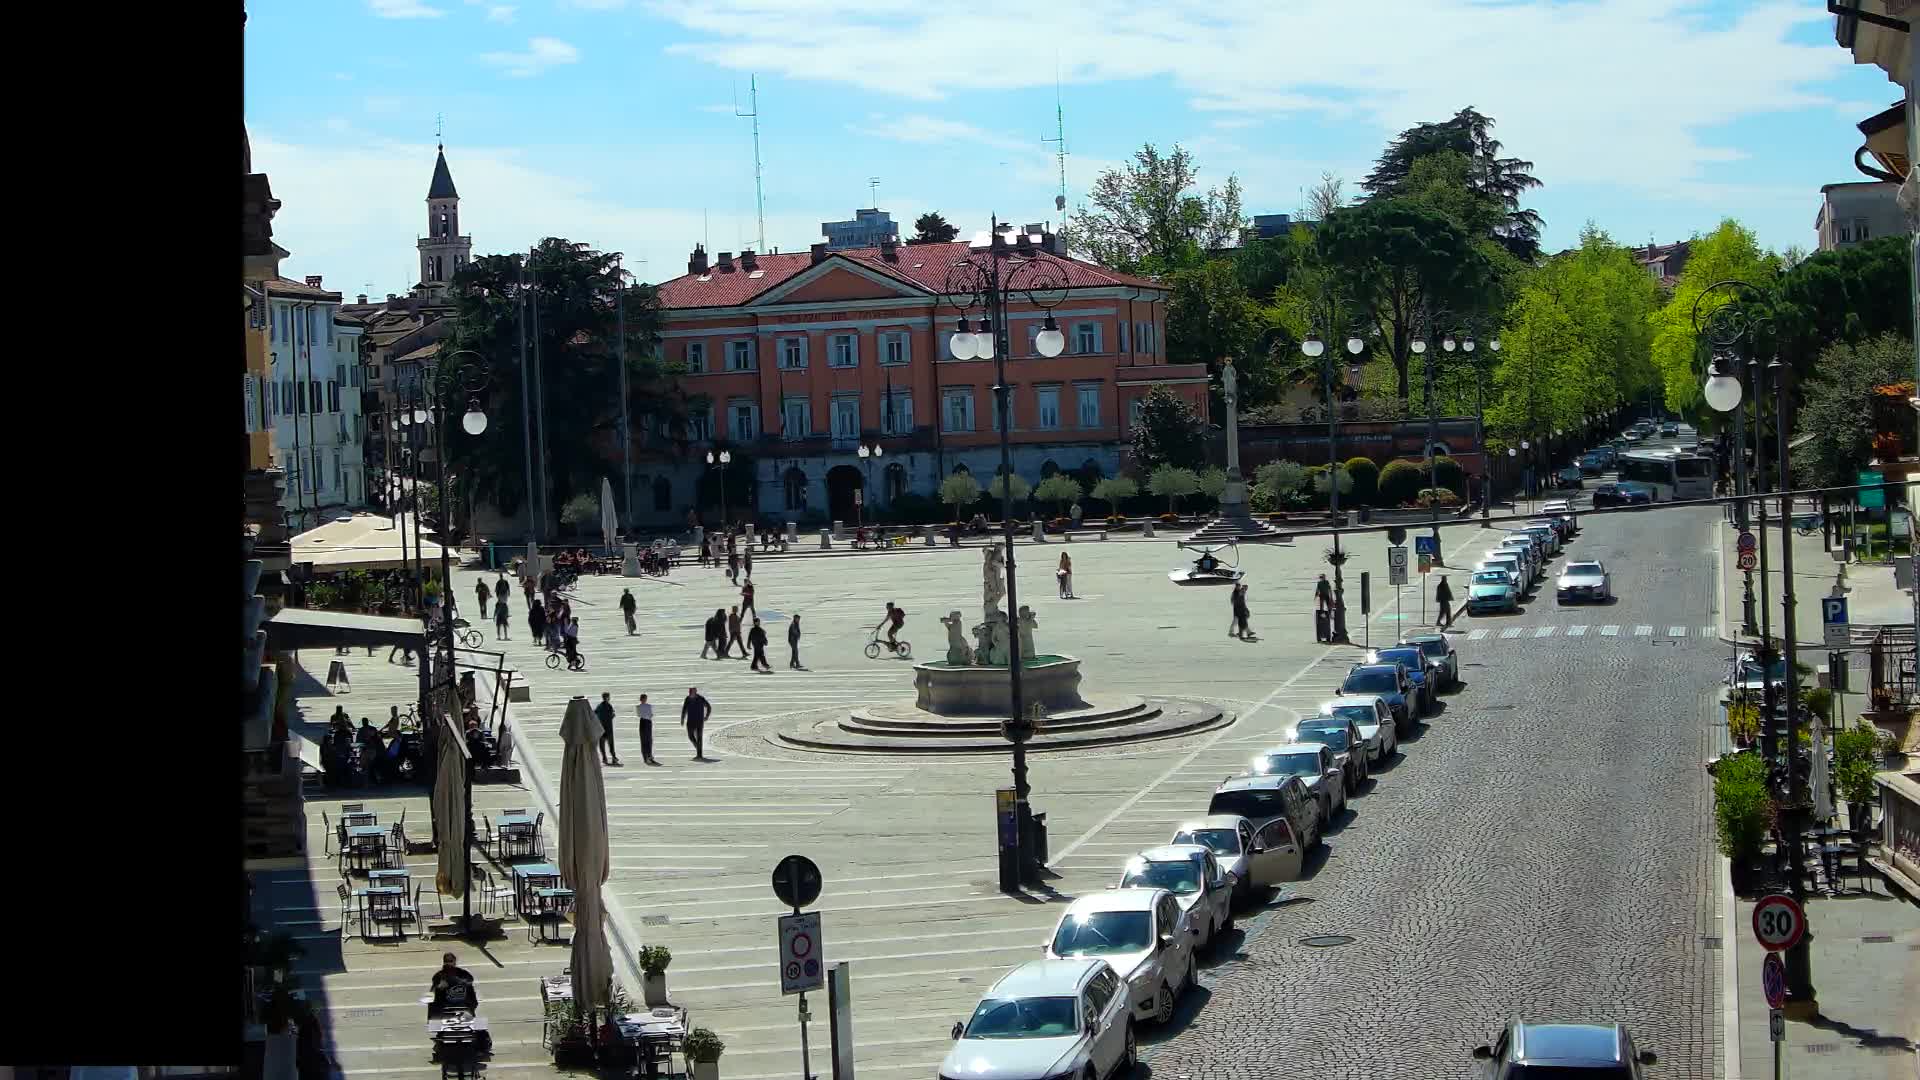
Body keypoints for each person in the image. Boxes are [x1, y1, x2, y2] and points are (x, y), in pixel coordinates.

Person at [428, 952, 480, 1020]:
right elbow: (433, 988)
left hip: (462, 999)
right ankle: (434, 1019)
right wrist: (439, 986)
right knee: (431, 999)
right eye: (447, 961)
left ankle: (470, 1014)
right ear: (444, 962)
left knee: (470, 988)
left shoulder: (462, 972)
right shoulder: (439, 975)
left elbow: (470, 979)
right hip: (445, 1001)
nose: (449, 963)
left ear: (454, 962)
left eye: (450, 961)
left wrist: (462, 981)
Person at [681, 686, 711, 761]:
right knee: (690, 736)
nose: (690, 694)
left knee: (699, 738)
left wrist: (706, 716)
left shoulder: (700, 698)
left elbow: (708, 706)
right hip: (690, 721)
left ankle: (699, 755)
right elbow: (684, 709)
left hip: (699, 721)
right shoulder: (687, 699)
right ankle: (698, 748)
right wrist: (682, 718)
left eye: (692, 692)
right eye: (690, 692)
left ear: (695, 692)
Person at [594, 692, 620, 766]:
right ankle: (613, 757)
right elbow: (611, 715)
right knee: (611, 744)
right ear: (607, 697)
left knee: (602, 744)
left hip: (601, 728)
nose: (609, 698)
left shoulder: (599, 706)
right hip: (608, 728)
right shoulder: (609, 706)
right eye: (609, 697)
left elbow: (594, 713)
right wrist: (612, 715)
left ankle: (604, 758)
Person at [635, 693, 658, 766]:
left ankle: (649, 756)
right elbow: (640, 715)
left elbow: (648, 714)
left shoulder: (647, 706)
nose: (645, 700)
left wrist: (646, 714)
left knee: (648, 740)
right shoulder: (640, 706)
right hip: (645, 722)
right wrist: (647, 714)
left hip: (646, 722)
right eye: (644, 698)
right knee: (644, 740)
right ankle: (646, 757)